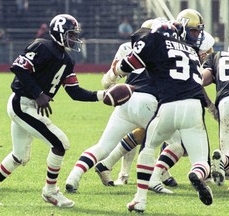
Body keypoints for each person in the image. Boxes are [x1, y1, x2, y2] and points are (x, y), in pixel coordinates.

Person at [0, 14, 105, 207]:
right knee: (60, 143)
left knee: (19, 156)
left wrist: (103, 95)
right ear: (59, 33)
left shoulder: (67, 60)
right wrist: (38, 94)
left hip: (31, 106)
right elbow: (19, 68)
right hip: (22, 103)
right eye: (71, 34)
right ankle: (51, 191)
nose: (74, 39)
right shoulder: (42, 46)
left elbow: (75, 92)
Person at [111, 20, 213, 213]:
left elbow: (126, 67)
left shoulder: (154, 40)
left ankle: (140, 199)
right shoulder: (190, 49)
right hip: (193, 107)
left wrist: (115, 71)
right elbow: (198, 80)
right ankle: (196, 174)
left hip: (167, 105)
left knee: (148, 148)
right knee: (201, 161)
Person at [65, 19, 159, 193]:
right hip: (149, 101)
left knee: (103, 146)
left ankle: (74, 176)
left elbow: (107, 80)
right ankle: (156, 178)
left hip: (125, 100)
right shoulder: (165, 50)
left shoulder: (127, 48)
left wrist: (115, 89)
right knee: (173, 141)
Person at [202, 37, 229, 188]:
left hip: (227, 103)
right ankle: (224, 165)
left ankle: (223, 161)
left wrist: (210, 106)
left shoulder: (216, 56)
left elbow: (201, 80)